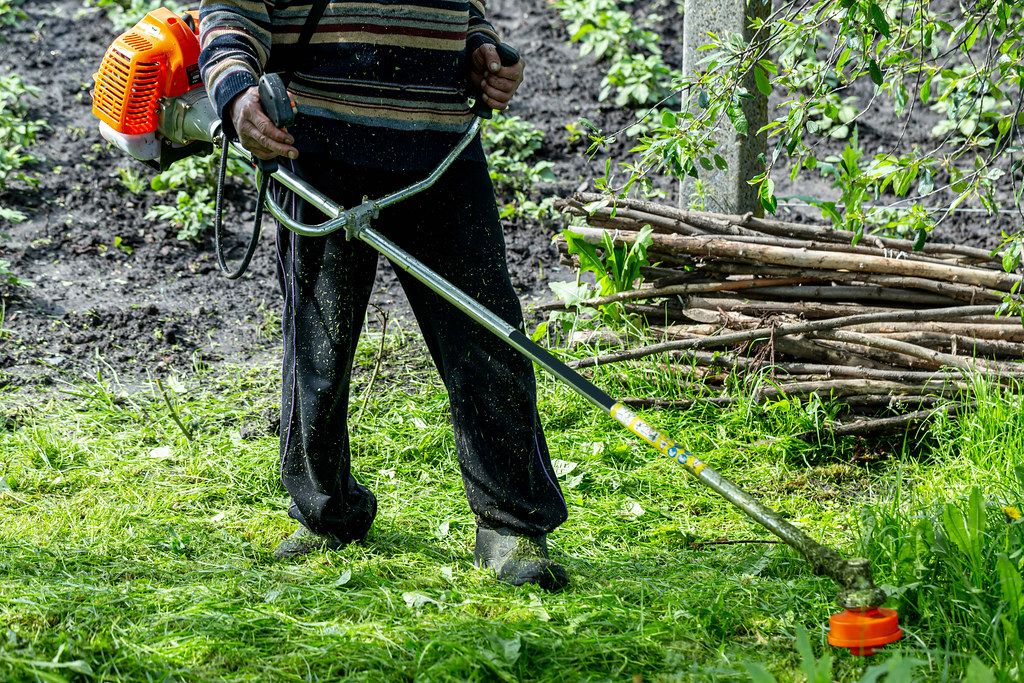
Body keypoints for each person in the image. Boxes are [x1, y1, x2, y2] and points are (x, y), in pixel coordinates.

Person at [198, 0, 569, 591]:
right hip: (316, 146)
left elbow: (463, 8)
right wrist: (237, 92)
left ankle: (513, 524)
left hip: (440, 144)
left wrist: (480, 48)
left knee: (487, 339)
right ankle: (326, 512)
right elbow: (231, 10)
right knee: (319, 347)